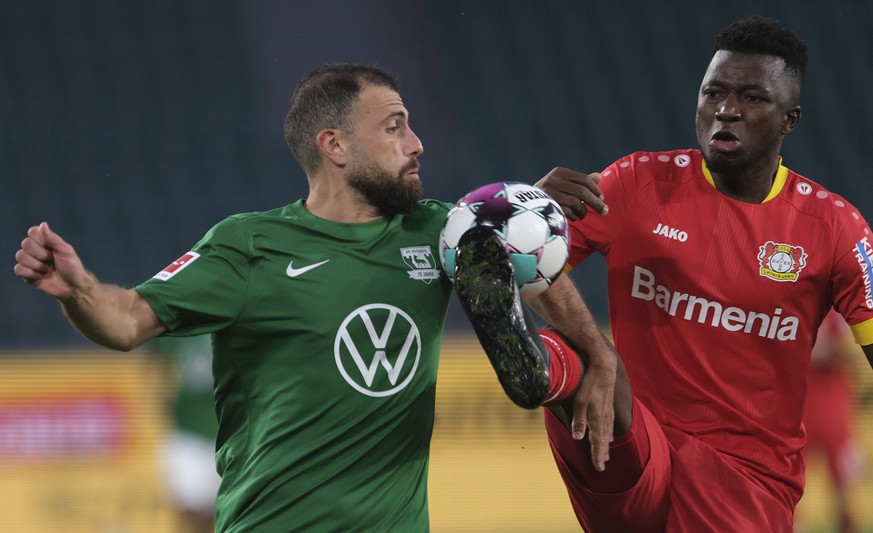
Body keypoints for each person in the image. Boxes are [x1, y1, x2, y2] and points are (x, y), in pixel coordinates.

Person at [454, 16, 873, 532]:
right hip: (629, 441)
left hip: (744, 482)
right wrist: (523, 213)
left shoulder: (833, 227)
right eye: (713, 92)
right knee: (587, 358)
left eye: (752, 98)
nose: (726, 110)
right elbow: (521, 256)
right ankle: (544, 365)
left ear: (790, 119)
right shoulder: (635, 185)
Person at [14, 63, 456, 532]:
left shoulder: (438, 233)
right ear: (335, 145)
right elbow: (126, 321)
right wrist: (78, 289)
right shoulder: (249, 245)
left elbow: (530, 236)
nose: (415, 143)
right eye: (394, 127)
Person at [799, 310, 866, 533]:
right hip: (800, 412)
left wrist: (832, 350)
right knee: (791, 479)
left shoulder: (840, 313)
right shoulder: (796, 309)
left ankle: (847, 526)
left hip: (833, 412)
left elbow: (854, 352)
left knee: (843, 483)